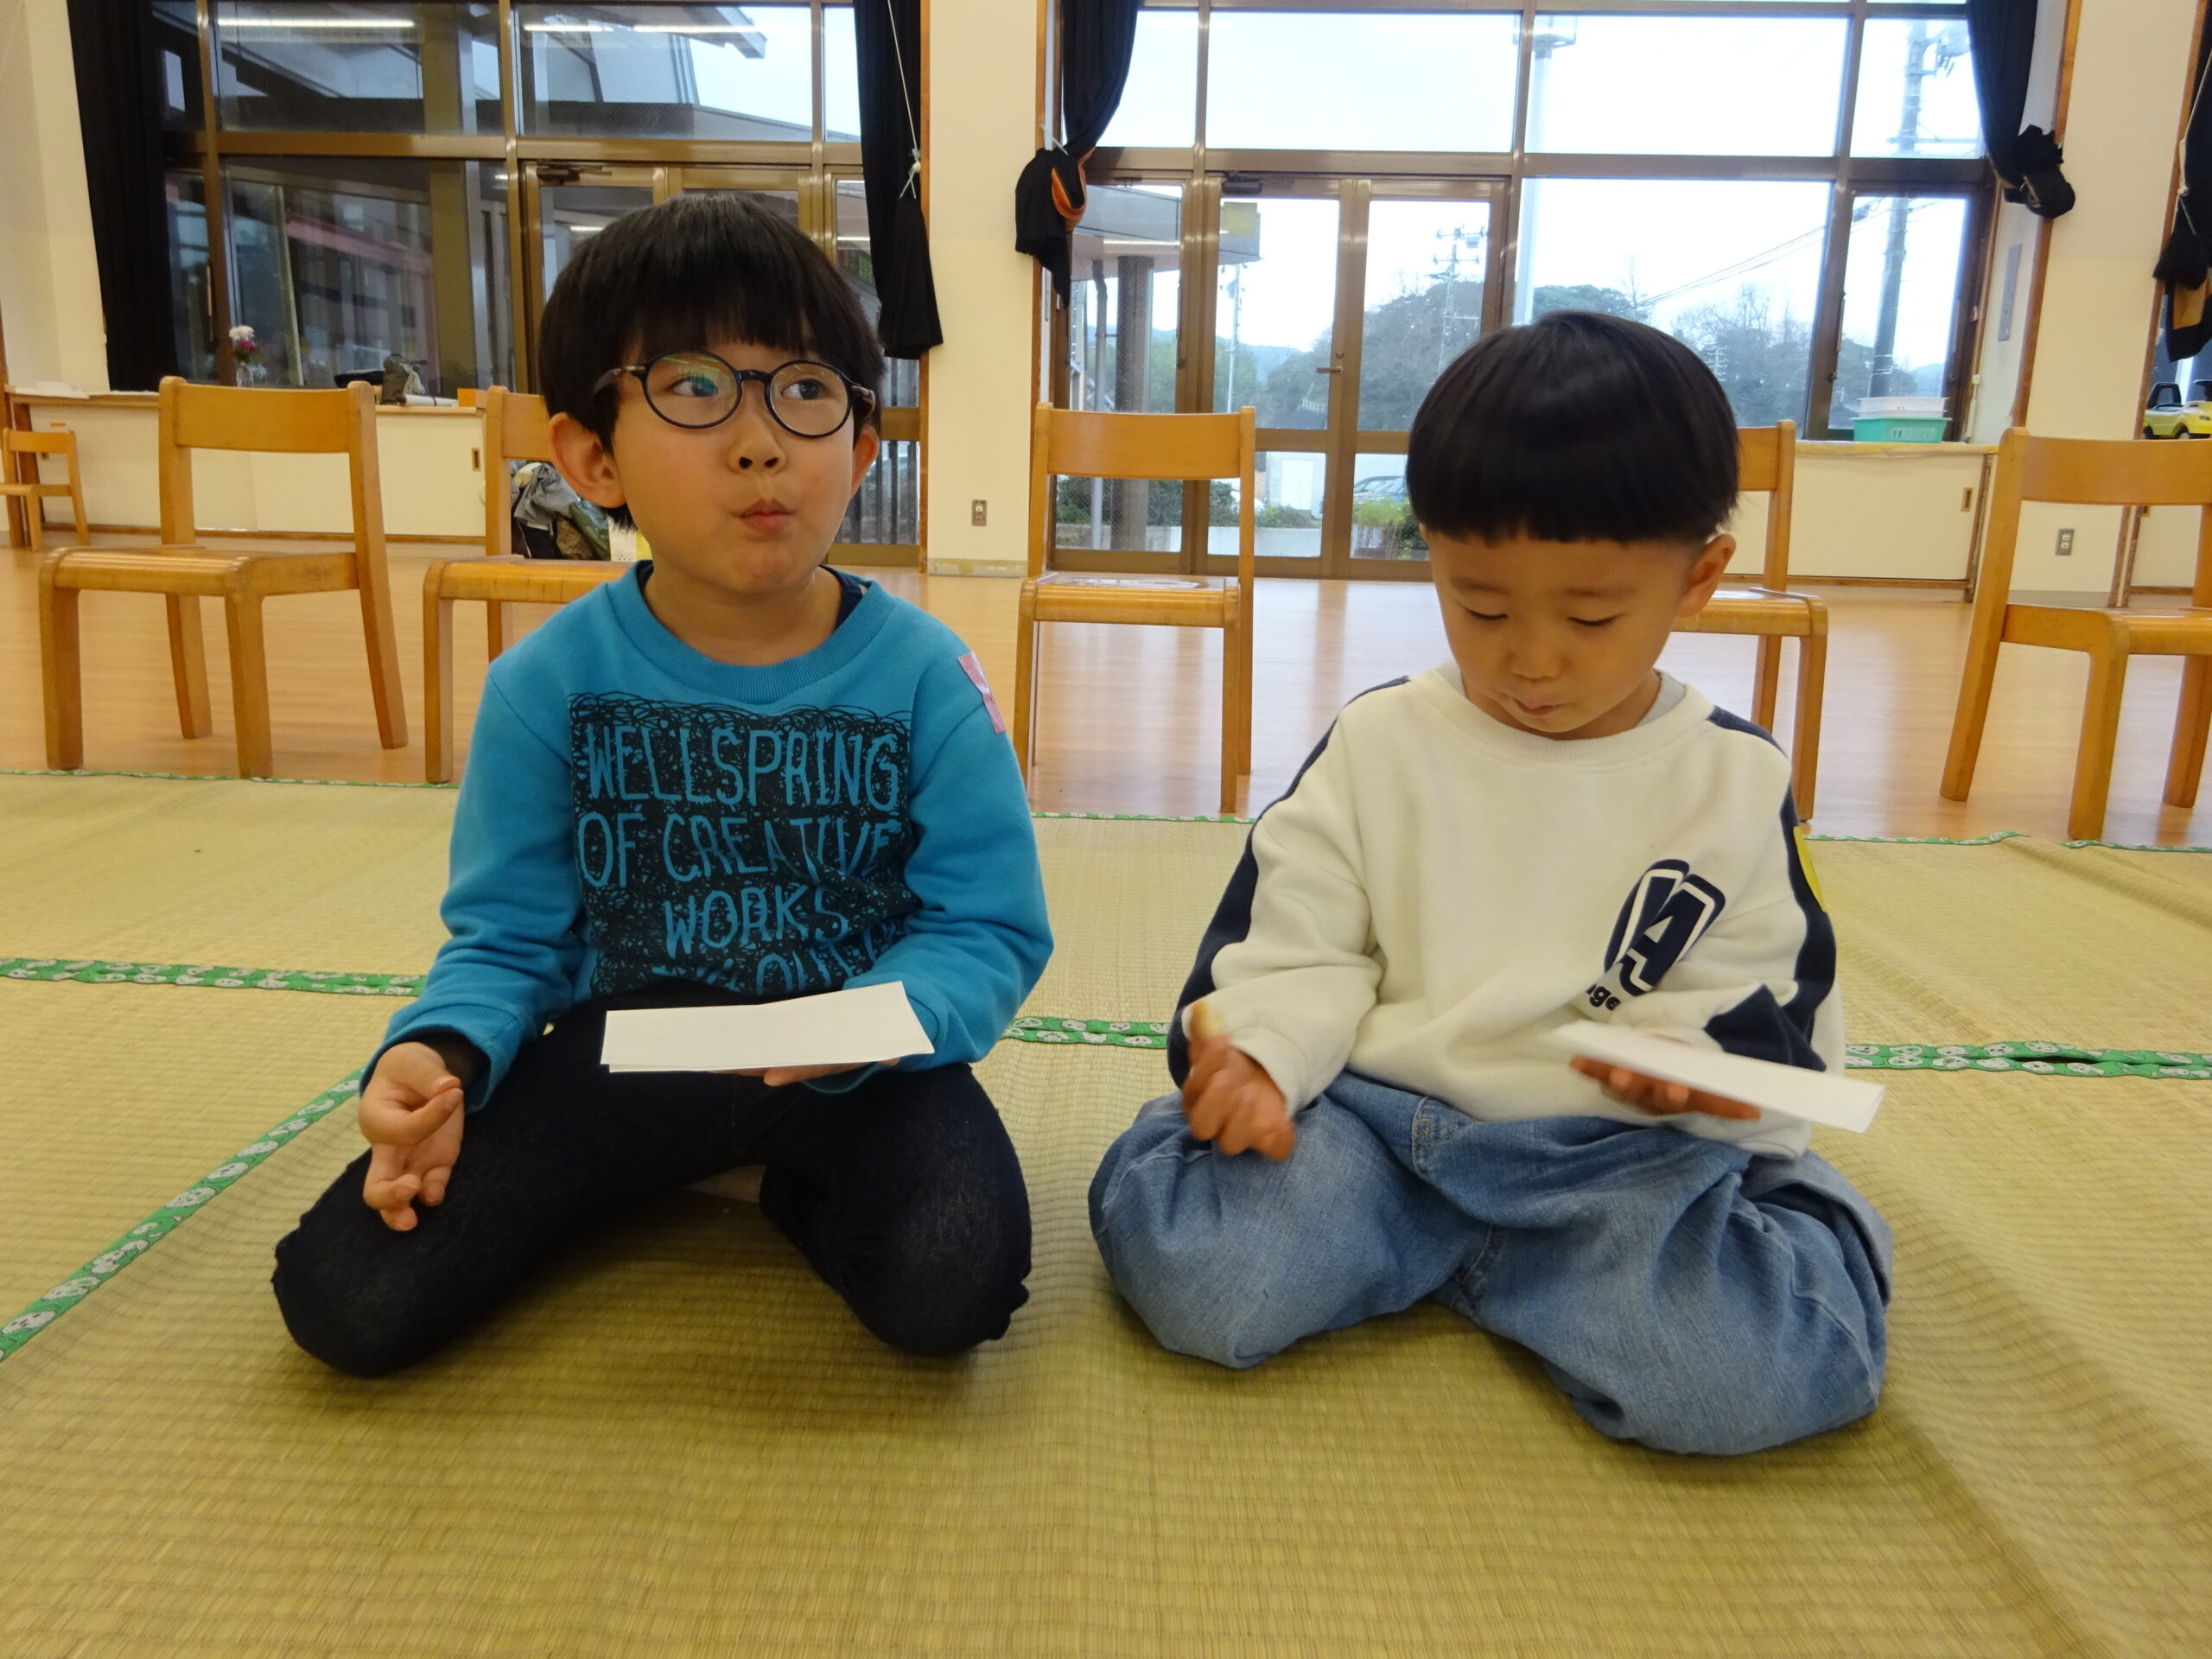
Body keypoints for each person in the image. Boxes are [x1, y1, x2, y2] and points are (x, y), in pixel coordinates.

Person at [1088, 312, 1891, 1457]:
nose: (1532, 658)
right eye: (1483, 606)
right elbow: (1294, 940)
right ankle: (1517, 1281)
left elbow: (1776, 1002)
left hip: (1612, 1164)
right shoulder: (1381, 744)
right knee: (1210, 1283)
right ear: (1433, 552)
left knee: (1754, 1380)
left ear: (1701, 577)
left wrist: (1705, 1076)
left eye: (1593, 615)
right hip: (1377, 1135)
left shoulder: (1731, 778)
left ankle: (1507, 1267)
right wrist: (1257, 1057)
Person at [273, 194, 1051, 1375]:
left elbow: (987, 927)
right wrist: (436, 1057)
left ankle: (769, 1186)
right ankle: (636, 1175)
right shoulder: (546, 685)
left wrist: (877, 1021)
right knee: (346, 1300)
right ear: (591, 455)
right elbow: (503, 939)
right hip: (619, 1052)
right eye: (694, 389)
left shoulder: (927, 678)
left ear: (863, 446)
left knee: (956, 1280)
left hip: (851, 1068)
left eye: (804, 391)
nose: (760, 442)